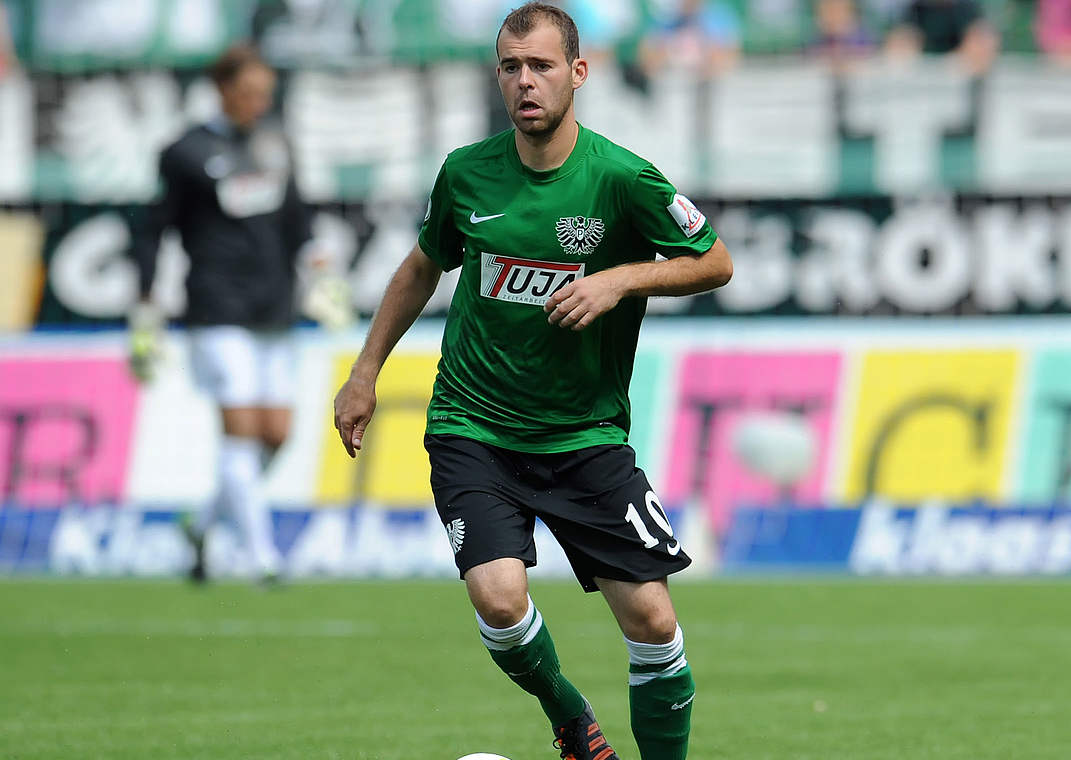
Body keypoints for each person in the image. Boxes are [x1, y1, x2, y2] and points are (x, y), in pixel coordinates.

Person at [332, 4, 732, 759]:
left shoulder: (621, 178)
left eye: (542, 66)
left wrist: (618, 279)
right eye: (511, 67)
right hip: (473, 427)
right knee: (498, 597)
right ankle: (569, 715)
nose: (525, 82)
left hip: (583, 436)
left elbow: (714, 260)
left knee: (651, 620)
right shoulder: (466, 172)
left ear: (577, 73)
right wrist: (364, 372)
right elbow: (424, 265)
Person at [130, 43, 315, 586]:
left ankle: (202, 524)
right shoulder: (185, 152)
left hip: (274, 308)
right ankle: (263, 558)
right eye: (250, 92)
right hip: (216, 307)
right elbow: (152, 229)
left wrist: (318, 264)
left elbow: (297, 220)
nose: (259, 102)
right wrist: (145, 302)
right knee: (241, 431)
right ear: (223, 89)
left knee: (276, 434)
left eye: (266, 93)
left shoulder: (276, 145)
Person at [883, 0, 999, 73]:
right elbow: (897, 50)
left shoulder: (967, 9)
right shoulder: (915, 9)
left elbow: (983, 46)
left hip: (960, 79)